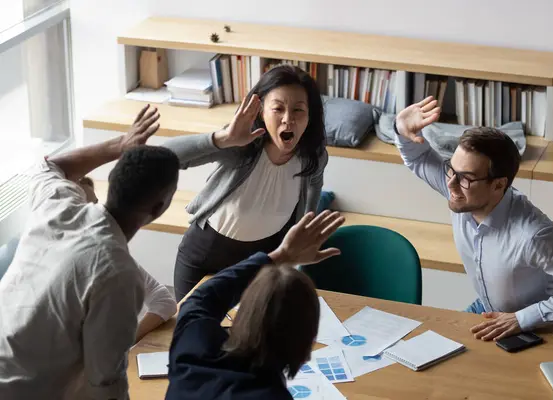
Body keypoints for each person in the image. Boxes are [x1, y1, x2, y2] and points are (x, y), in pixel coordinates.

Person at [0, 104, 180, 399]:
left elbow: (49, 167)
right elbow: (105, 383)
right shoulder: (118, 273)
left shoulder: (56, 206)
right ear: (159, 208)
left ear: (112, 182)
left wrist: (118, 145)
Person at [394, 96, 553, 342]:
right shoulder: (463, 191)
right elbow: (419, 159)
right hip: (487, 310)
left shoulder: (534, 235)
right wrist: (401, 128)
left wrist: (521, 319)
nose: (450, 184)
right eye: (451, 169)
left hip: (537, 327)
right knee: (430, 350)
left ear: (499, 185)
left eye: (465, 178)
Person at [162, 65, 328, 301]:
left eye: (298, 110)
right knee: (194, 332)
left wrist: (304, 237)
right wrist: (224, 138)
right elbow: (161, 157)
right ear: (261, 112)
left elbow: (313, 193)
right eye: (278, 109)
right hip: (205, 257)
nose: (288, 119)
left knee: (250, 336)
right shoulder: (240, 147)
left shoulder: (314, 156)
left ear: (310, 116)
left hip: (262, 263)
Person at [166, 210, 345, 400]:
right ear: (306, 347)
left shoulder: (192, 341)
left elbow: (202, 297)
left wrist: (280, 255)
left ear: (244, 311)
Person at [0, 176, 177, 343]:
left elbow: (163, 301)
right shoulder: (25, 258)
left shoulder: (104, 251)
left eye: (94, 207)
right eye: (82, 210)